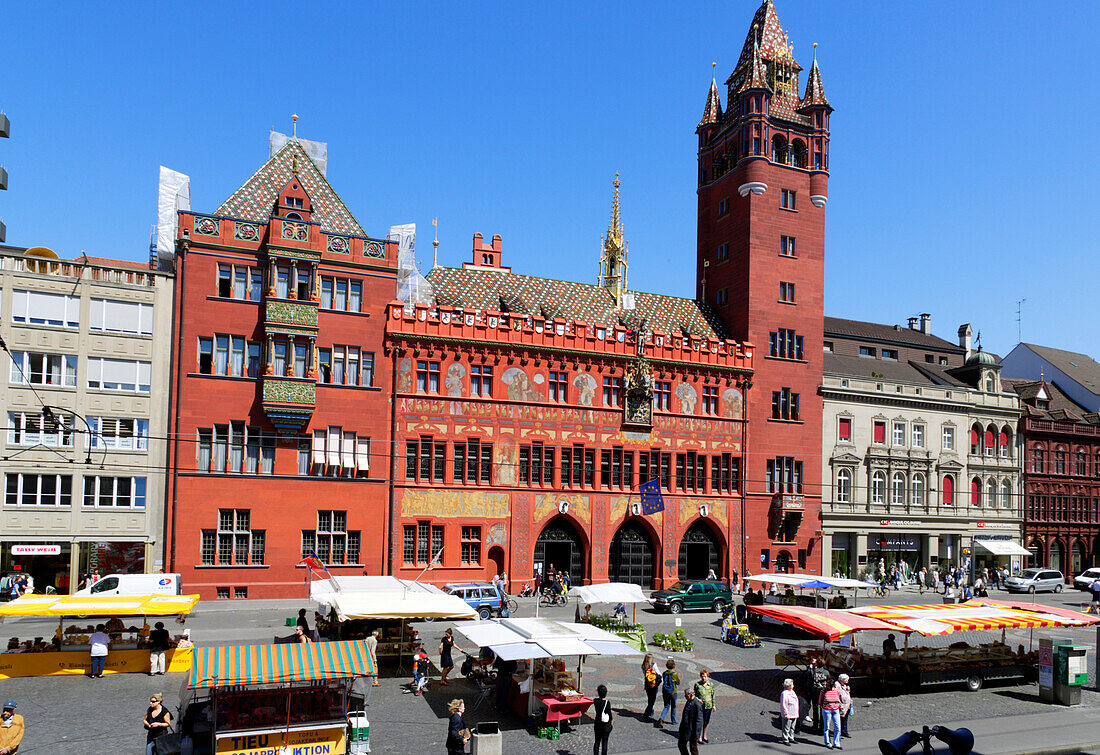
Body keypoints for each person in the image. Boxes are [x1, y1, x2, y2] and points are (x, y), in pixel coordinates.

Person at [803, 657, 830, 733]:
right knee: (823, 708)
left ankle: (815, 724)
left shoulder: (813, 671)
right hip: (823, 691)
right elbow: (828, 680)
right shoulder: (826, 672)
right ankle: (822, 724)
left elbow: (808, 679)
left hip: (815, 691)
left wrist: (810, 668)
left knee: (815, 707)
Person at [693, 669, 715, 744]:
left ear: (707, 677)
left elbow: (713, 695)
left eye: (705, 676)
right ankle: (698, 737)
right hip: (700, 706)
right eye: (702, 676)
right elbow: (695, 695)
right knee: (699, 721)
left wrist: (714, 705)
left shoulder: (711, 685)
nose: (703, 678)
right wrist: (698, 700)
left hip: (708, 706)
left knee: (706, 722)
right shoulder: (697, 685)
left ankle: (704, 736)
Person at [657, 658, 680, 728]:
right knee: (673, 706)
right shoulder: (674, 674)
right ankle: (673, 720)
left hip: (665, 692)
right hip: (673, 692)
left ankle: (662, 718)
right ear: (673, 666)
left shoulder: (664, 673)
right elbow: (678, 682)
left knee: (666, 706)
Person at [678, 687, 702, 755]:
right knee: (681, 744)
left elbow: (699, 720)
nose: (685, 697)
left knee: (693, 748)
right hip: (685, 729)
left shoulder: (697, 704)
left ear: (691, 694)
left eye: (686, 695)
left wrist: (697, 734)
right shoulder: (689, 701)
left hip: (693, 731)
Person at [819, 678, 842, 749]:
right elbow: (820, 701)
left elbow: (839, 698)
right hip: (827, 710)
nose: (826, 686)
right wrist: (824, 707)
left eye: (828, 685)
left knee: (837, 727)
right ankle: (828, 743)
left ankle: (836, 743)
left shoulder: (836, 690)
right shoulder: (823, 691)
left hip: (835, 710)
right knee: (827, 727)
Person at [592, 683, 613, 755]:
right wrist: (611, 721)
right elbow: (609, 713)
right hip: (605, 725)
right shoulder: (607, 702)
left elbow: (595, 699)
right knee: (605, 742)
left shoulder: (595, 701)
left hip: (597, 723)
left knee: (597, 741)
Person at [780, 678, 799, 745]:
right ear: (788, 686)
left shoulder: (792, 691)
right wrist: (786, 714)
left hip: (794, 713)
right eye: (792, 684)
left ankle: (791, 737)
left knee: (792, 727)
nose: (793, 686)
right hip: (788, 713)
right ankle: (785, 739)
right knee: (786, 727)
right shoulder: (784, 694)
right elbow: (784, 705)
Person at [641, 653, 660, 720]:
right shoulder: (653, 665)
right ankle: (646, 713)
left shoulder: (643, 666)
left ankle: (651, 711)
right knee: (652, 700)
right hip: (653, 684)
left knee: (650, 698)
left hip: (647, 684)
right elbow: (659, 674)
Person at [836, 674, 852, 739]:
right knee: (839, 719)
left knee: (845, 719)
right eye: (846, 679)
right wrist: (840, 705)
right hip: (842, 705)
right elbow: (838, 696)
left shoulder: (844, 686)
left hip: (847, 705)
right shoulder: (837, 686)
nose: (847, 680)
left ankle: (844, 731)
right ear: (842, 680)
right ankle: (838, 732)